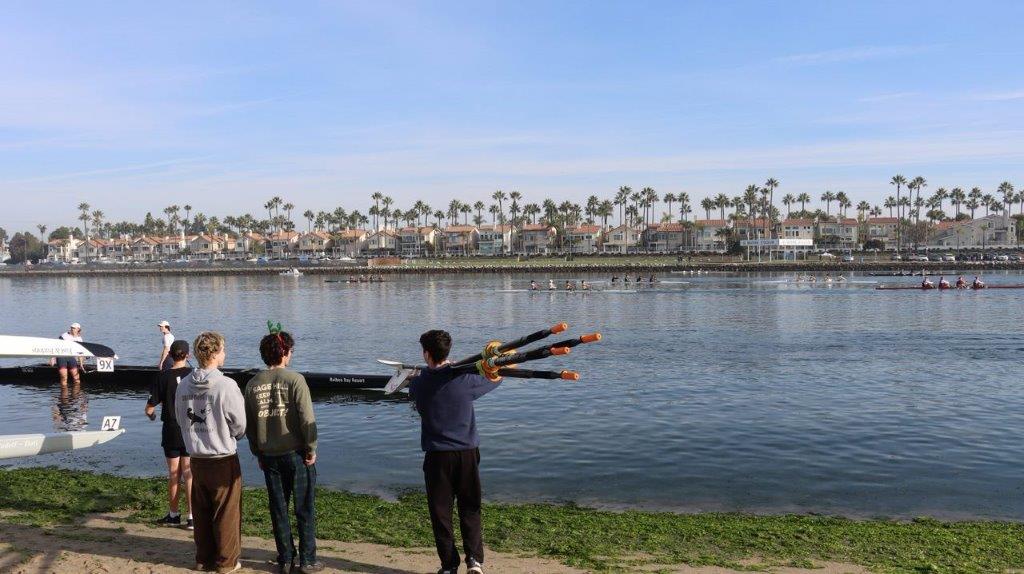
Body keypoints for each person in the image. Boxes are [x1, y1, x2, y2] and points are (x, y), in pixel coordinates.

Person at [408, 330, 501, 574]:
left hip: (437, 456)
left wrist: (425, 374)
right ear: (448, 353)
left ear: (426, 354)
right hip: (467, 453)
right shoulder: (464, 379)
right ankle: (475, 561)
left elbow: (417, 396)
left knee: (441, 512)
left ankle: (449, 565)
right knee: (470, 507)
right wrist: (467, 369)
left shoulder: (418, 384)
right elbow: (496, 378)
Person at [244, 332, 323, 574]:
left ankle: (286, 557)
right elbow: (306, 418)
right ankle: (307, 560)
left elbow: (250, 424)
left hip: (269, 455)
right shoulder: (295, 379)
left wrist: (257, 451)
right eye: (290, 350)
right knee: (304, 508)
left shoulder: (253, 383)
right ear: (285, 352)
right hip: (296, 453)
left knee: (278, 508)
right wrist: (311, 448)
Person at [175, 332, 246, 574]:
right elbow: (240, 424)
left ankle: (203, 559)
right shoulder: (226, 385)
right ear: (214, 353)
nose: (225, 354)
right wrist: (232, 435)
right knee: (226, 512)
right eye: (223, 350)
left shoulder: (184, 384)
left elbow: (179, 417)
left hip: (196, 457)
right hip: (221, 457)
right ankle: (226, 562)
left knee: (203, 512)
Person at [147, 340, 194, 530]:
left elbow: (149, 408)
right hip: (191, 429)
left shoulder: (162, 377)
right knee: (190, 474)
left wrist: (152, 417)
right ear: (188, 356)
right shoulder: (194, 375)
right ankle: (192, 518)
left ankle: (174, 515)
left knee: (174, 474)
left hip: (171, 429)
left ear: (170, 356)